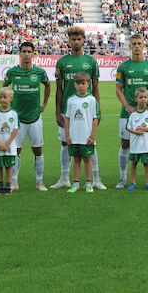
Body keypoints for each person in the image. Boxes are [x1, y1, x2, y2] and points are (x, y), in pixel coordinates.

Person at [53, 27, 104, 189]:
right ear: (68, 41)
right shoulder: (61, 62)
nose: (76, 42)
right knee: (65, 143)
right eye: (73, 39)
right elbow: (59, 89)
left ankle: (96, 179)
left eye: (79, 39)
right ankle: (64, 178)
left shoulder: (91, 62)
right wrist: (57, 111)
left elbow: (96, 88)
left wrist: (98, 109)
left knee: (91, 143)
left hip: (88, 110)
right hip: (67, 109)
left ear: (83, 40)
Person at [3, 41, 50, 191]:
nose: (26, 54)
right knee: (16, 150)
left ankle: (39, 181)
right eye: (24, 51)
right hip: (17, 118)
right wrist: (7, 104)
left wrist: (44, 104)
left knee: (37, 150)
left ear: (33, 53)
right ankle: (15, 181)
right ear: (20, 53)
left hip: (35, 117)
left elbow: (48, 85)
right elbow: (4, 87)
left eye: (29, 51)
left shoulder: (39, 72)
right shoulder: (12, 72)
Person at [116, 35, 148, 189]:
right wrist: (126, 105)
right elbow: (118, 89)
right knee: (125, 144)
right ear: (130, 46)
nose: (136, 46)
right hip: (127, 113)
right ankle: (123, 178)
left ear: (144, 45)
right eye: (134, 44)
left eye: (139, 43)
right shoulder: (123, 67)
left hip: (146, 113)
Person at [63, 72, 100, 193]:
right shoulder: (71, 100)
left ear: (88, 84)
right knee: (76, 159)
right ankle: (76, 184)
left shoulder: (91, 100)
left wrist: (93, 136)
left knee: (88, 159)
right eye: (78, 83)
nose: (80, 86)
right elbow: (67, 118)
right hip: (74, 136)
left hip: (86, 136)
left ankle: (89, 183)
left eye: (83, 83)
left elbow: (95, 119)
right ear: (74, 84)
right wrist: (67, 135)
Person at [125, 88, 148, 191]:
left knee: (146, 164)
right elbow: (128, 127)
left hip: (146, 145)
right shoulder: (133, 115)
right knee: (133, 163)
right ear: (136, 99)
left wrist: (144, 129)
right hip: (134, 144)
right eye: (140, 97)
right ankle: (132, 183)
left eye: (145, 97)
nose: (143, 99)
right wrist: (136, 132)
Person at [0, 87, 19, 195]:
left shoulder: (14, 114)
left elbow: (15, 130)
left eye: (5, 97)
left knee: (8, 166)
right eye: (0, 97)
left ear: (11, 98)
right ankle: (0, 186)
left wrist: (7, 144)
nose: (2, 100)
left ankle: (8, 186)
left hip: (10, 146)